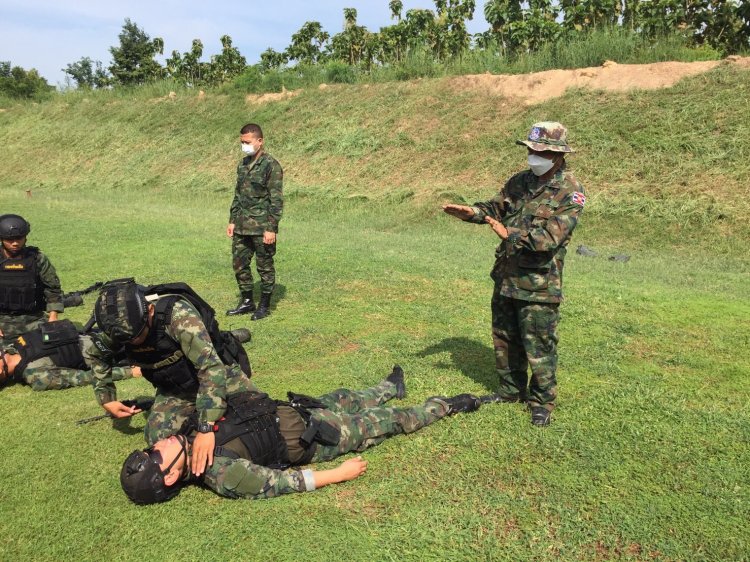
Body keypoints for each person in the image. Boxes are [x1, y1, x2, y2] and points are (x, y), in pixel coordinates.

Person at [119, 365, 488, 504]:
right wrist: (336, 475)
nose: (156, 446)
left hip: (293, 411)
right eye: (155, 457)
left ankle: (389, 385)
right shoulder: (222, 473)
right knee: (386, 420)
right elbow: (281, 483)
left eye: (149, 449)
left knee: (345, 396)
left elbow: (170, 394)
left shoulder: (177, 434)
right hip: (317, 438)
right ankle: (448, 405)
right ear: (170, 475)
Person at [442, 122, 586, 427]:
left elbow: (549, 238)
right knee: (505, 338)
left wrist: (508, 232)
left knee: (539, 343)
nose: (533, 155)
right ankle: (510, 390)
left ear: (557, 154)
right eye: (530, 149)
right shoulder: (521, 181)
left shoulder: (570, 191)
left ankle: (542, 401)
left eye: (540, 151)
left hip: (538, 283)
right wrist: (475, 213)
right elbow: (497, 207)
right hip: (506, 275)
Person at [89, 278, 255, 475]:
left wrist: (206, 426)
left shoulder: (179, 316)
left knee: (258, 414)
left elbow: (210, 368)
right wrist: (106, 398)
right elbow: (97, 355)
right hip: (175, 389)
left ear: (149, 311)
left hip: (221, 377)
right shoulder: (118, 328)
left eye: (137, 337)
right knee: (157, 439)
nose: (133, 343)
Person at [226, 123, 284, 321]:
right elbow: (238, 195)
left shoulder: (271, 166)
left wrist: (271, 228)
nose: (244, 146)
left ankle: (265, 305)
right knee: (239, 265)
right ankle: (247, 302)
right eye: (242, 142)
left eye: (248, 142)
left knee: (264, 266)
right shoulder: (242, 164)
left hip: (261, 228)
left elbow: (276, 200)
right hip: (242, 225)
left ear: (260, 141)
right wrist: (232, 220)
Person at [0, 319, 138, 391]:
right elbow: (83, 377)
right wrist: (130, 372)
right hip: (112, 349)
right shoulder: (35, 376)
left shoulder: (12, 347)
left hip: (94, 332)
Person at [0, 214, 64, 345]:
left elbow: (53, 289)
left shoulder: (37, 259)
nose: (15, 243)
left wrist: (53, 317)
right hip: (2, 320)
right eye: (10, 239)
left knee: (56, 349)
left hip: (33, 319)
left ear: (25, 237)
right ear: (1, 239)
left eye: (19, 238)